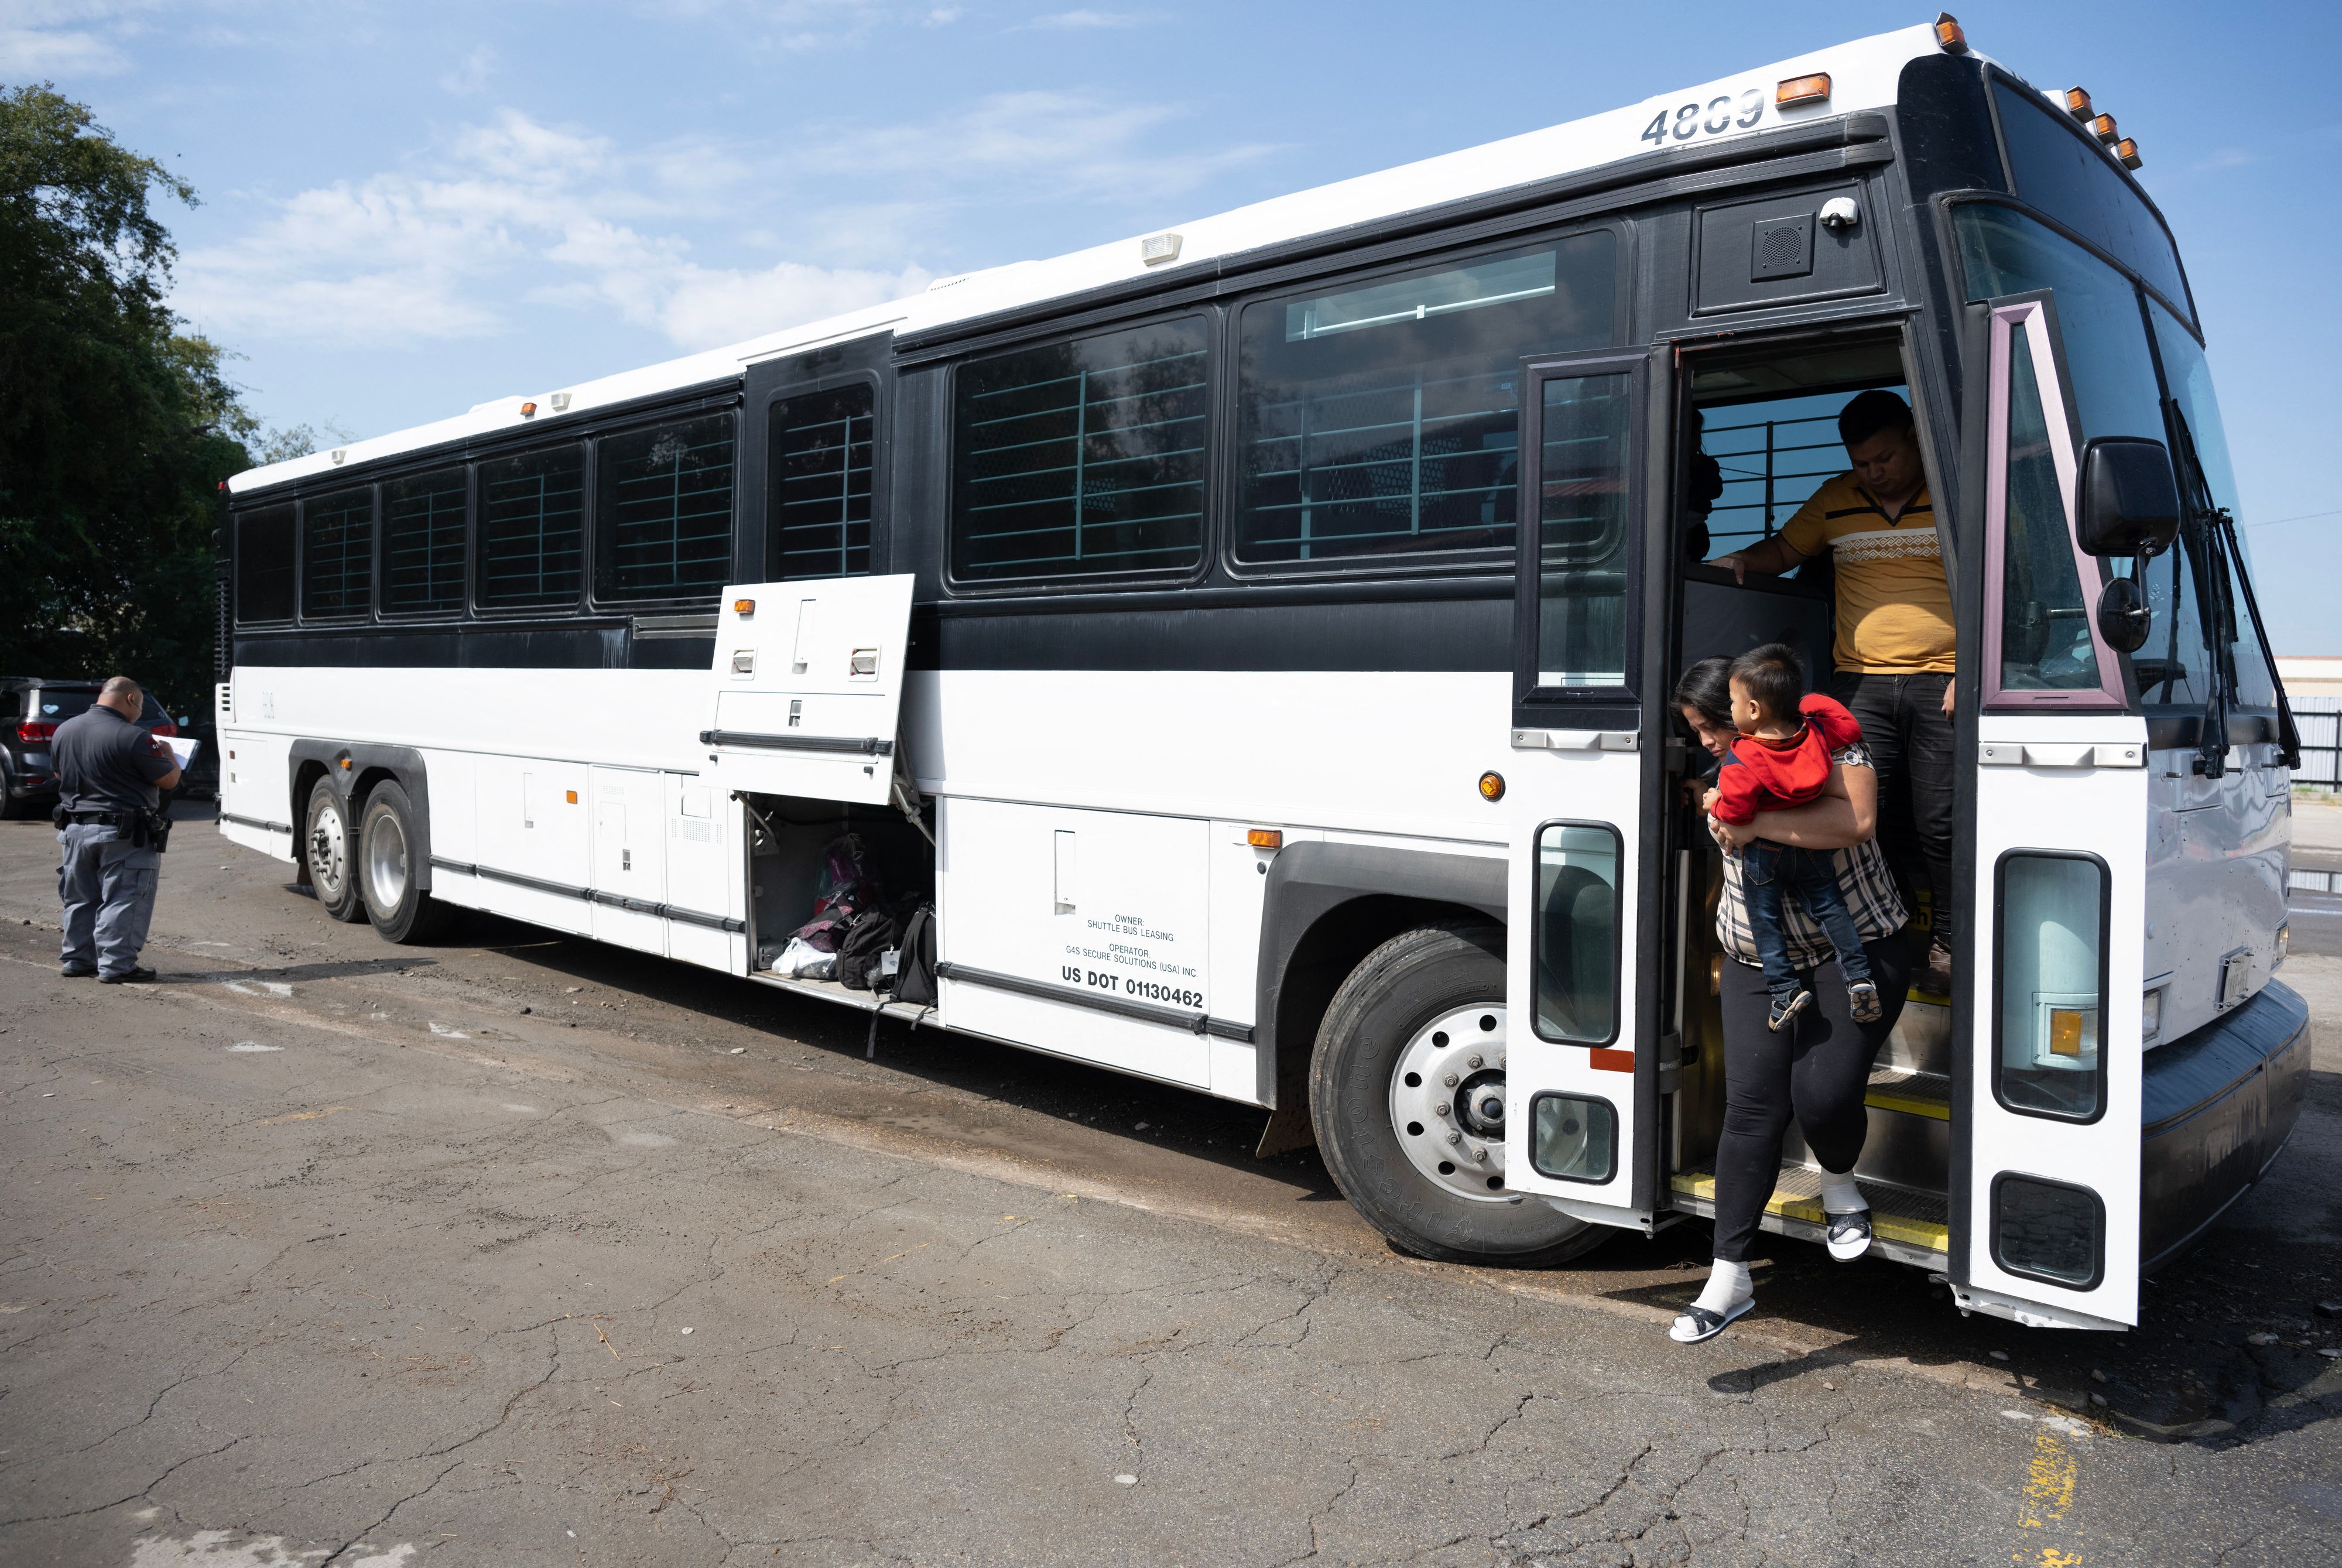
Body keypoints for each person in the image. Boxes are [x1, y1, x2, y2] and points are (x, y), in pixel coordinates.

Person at [1667, 657, 1911, 1345]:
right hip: (1755, 961)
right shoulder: (1728, 774)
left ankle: (1840, 1185)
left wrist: (1753, 822)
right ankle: (1728, 1276)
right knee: (1751, 1109)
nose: (1707, 740)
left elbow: (1855, 820)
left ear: (1747, 707)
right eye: (1695, 730)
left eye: (1711, 724)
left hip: (1854, 952)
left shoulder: (1836, 741)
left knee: (1824, 1096)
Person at [1713, 390, 1956, 994]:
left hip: (1944, 679)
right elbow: (1785, 551)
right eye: (1862, 462)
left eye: (1885, 457)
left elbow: (2006, 580)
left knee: (1941, 820)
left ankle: (1951, 936)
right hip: (1861, 684)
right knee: (1868, 818)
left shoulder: (1956, 492)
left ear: (1912, 435)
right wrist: (1737, 561)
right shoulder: (1833, 498)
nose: (1874, 472)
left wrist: (1972, 668)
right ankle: (1887, 928)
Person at [1708, 644, 1881, 1031]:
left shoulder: (1744, 757)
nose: (1730, 711)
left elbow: (1736, 813)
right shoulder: (1815, 734)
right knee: (1831, 911)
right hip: (1811, 850)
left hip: (1765, 858)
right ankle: (1858, 976)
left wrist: (1714, 803)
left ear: (1753, 710)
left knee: (1765, 921)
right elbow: (1849, 727)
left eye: (1733, 702)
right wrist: (1808, 704)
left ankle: (1785, 990)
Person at [52, 676, 180, 984]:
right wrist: (169, 755)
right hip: (123, 835)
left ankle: (77, 959)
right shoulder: (134, 737)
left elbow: (58, 773)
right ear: (131, 700)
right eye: (140, 706)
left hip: (75, 830)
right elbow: (169, 780)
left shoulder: (64, 730)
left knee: (80, 898)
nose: (140, 714)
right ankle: (117, 965)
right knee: (125, 898)